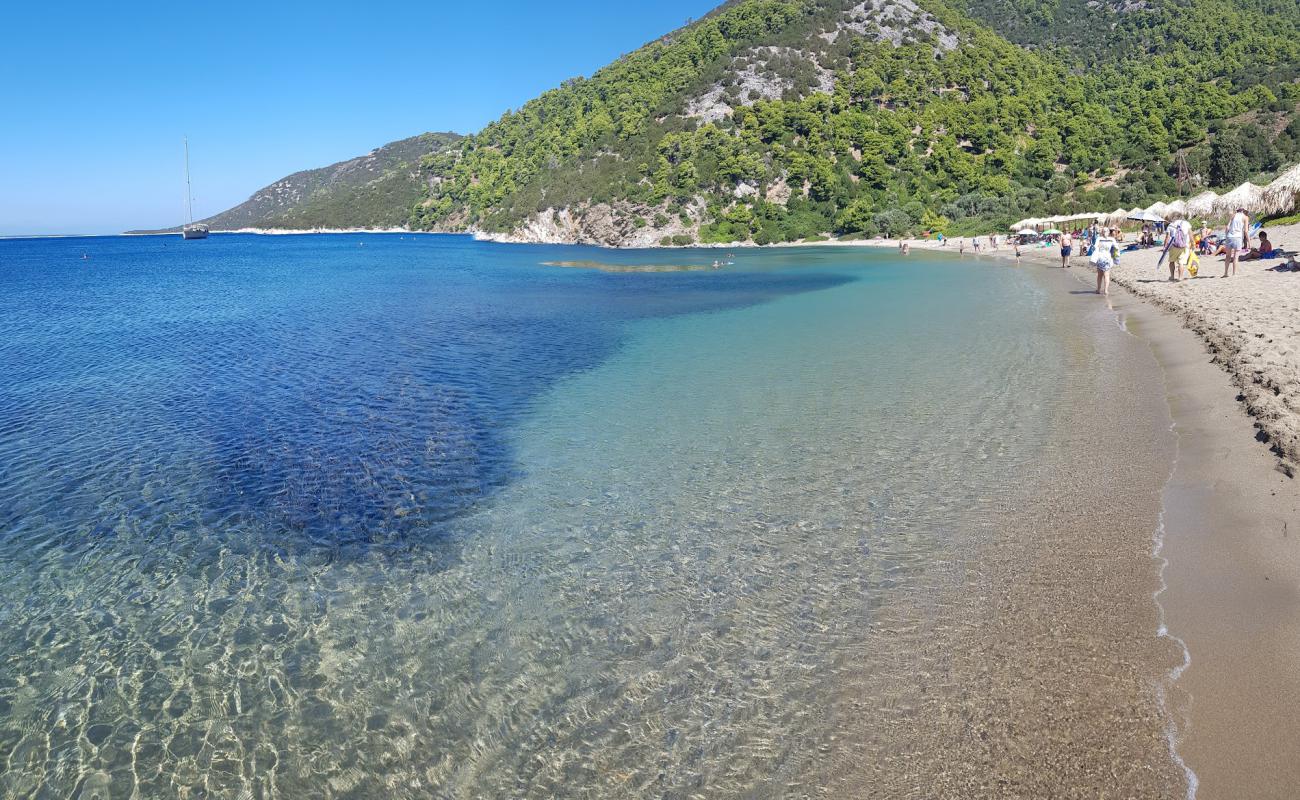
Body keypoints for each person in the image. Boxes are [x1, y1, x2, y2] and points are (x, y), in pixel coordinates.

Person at [1164, 213, 1192, 281]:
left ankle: (1172, 276)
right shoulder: (1187, 223)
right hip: (1183, 246)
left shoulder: (1171, 225)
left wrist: (1165, 246)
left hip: (1173, 246)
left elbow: (1167, 237)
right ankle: (1180, 277)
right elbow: (1191, 235)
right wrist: (1193, 244)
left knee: (1171, 261)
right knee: (1181, 262)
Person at [1224, 207, 1250, 277]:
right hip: (1238, 237)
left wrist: (1226, 236)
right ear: (1243, 210)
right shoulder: (1245, 217)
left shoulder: (1233, 215)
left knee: (1228, 256)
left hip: (1229, 237)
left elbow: (1227, 227)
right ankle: (1234, 274)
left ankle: (1226, 273)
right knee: (1236, 257)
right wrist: (1249, 242)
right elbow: (1246, 231)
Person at [1090, 230, 1117, 295]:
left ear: (1102, 232)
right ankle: (1106, 290)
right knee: (1107, 275)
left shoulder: (1099, 238)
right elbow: (1116, 248)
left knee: (1100, 275)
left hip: (1101, 258)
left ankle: (1098, 289)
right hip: (1108, 258)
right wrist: (1115, 257)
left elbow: (1095, 247)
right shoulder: (1112, 239)